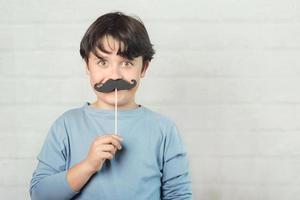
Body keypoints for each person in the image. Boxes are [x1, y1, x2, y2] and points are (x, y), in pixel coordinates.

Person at [29, 11, 193, 200]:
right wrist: (88, 165)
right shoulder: (66, 125)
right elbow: (40, 194)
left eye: (126, 63)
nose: (114, 75)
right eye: (102, 62)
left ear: (144, 68)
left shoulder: (164, 130)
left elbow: (179, 195)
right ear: (87, 66)